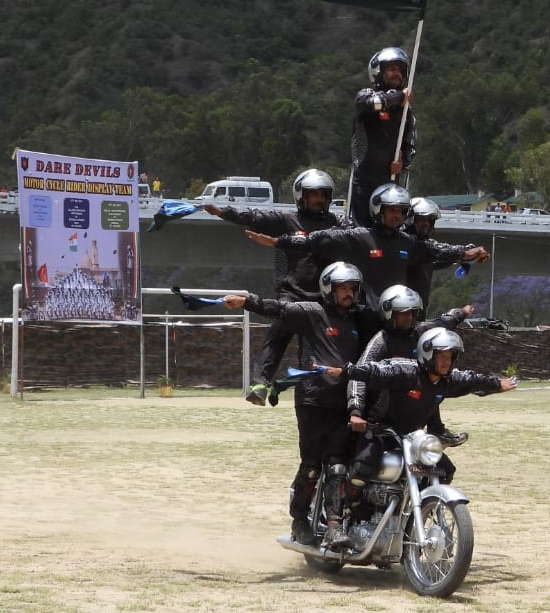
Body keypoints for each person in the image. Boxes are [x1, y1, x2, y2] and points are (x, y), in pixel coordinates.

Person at [222, 260, 366, 548]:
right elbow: (278, 308)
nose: (348, 294)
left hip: (343, 403)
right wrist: (246, 302)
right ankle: (300, 520)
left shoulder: (358, 321)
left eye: (352, 288)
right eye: (343, 289)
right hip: (312, 401)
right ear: (328, 290)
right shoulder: (312, 313)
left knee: (338, 465)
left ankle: (336, 525)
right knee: (312, 466)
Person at [203, 167, 342, 405]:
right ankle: (260, 383)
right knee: (278, 334)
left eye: (323, 194)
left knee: (329, 347)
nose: (319, 199)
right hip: (293, 294)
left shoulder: (336, 225)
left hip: (324, 299)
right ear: (301, 196)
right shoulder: (288, 220)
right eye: (313, 194)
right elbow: (256, 217)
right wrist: (224, 212)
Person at [320, 327, 517, 490]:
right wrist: (347, 370)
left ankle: (414, 514)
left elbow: (473, 379)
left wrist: (497, 384)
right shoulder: (406, 371)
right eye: (441, 356)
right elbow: (375, 370)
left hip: (413, 439)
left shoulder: (447, 380)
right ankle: (348, 512)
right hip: (381, 432)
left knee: (445, 469)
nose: (446, 361)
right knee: (362, 470)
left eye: (450, 356)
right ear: (428, 354)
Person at [249, 183, 486, 316]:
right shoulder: (359, 237)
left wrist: (464, 253)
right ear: (379, 211)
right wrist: (280, 242)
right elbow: (317, 240)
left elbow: (437, 250)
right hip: (366, 317)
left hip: (398, 317)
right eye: (391, 210)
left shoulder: (408, 242)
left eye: (401, 211)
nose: (396, 215)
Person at [348, 283, 473, 447]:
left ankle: (437, 430)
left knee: (430, 380)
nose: (409, 317)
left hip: (414, 405)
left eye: (412, 313)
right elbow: (360, 373)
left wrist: (461, 313)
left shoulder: (421, 332)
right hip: (385, 412)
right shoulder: (382, 341)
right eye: (404, 313)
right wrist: (355, 410)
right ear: (389, 313)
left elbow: (442, 323)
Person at [348, 47, 416, 225]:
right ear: (379, 72)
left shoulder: (406, 111)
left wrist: (403, 163)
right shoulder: (364, 97)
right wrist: (400, 95)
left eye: (400, 71)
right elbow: (376, 104)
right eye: (392, 69)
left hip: (391, 183)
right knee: (361, 233)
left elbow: (410, 144)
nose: (398, 74)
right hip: (364, 181)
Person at [404, 197, 464, 303]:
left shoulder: (426, 247)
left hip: (419, 308)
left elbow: (434, 262)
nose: (426, 223)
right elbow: (433, 250)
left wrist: (460, 257)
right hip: (401, 309)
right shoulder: (406, 243)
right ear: (411, 219)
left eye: (429, 220)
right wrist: (463, 252)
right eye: (422, 219)